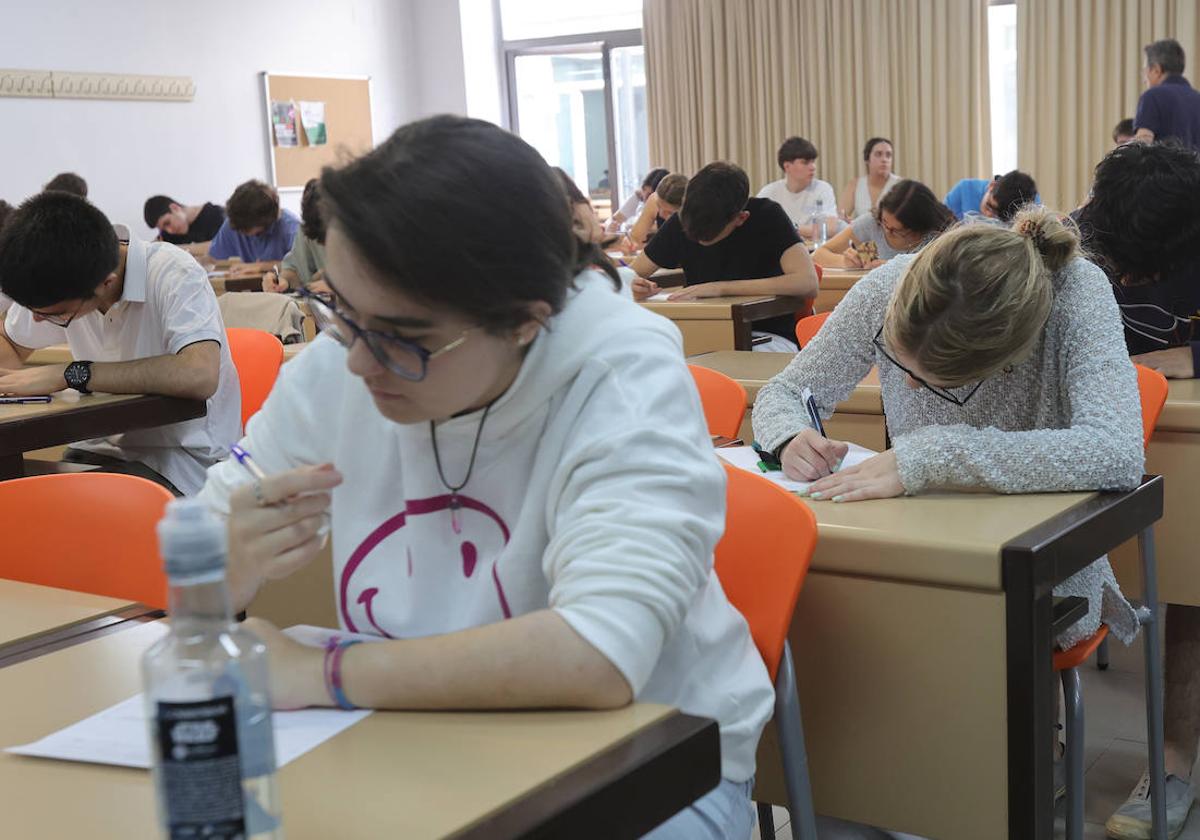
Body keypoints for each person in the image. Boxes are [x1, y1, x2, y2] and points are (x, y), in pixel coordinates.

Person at [196, 115, 775, 840]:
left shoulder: (623, 374)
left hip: (648, 761)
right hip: (406, 736)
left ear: (527, 321)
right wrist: (220, 570)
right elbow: (199, 530)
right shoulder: (345, 358)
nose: (357, 362)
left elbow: (599, 655)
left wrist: (321, 674)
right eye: (340, 311)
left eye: (403, 339)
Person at [754, 205, 1141, 656]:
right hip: (912, 539)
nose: (908, 385)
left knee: (975, 660)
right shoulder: (892, 285)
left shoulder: (1076, 290)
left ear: (1004, 359)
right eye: (900, 362)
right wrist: (788, 435)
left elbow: (1116, 451)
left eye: (939, 377)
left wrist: (931, 455)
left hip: (1036, 556)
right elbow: (785, 390)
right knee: (840, 633)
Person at [1075, 139, 1200, 838]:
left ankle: (1174, 759)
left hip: (1186, 437)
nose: (1134, 278)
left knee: (1186, 584)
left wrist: (1193, 354)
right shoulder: (1076, 237)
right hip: (1090, 432)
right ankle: (1035, 743)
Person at [0, 192, 241, 495]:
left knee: (48, 517)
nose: (36, 321)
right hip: (100, 450)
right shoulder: (58, 273)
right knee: (19, 503)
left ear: (106, 283)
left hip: (183, 464)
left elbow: (199, 374)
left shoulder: (174, 273)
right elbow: (10, 341)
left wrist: (73, 374)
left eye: (55, 315)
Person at [629, 161, 819, 350]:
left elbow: (807, 283)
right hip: (702, 333)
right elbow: (629, 275)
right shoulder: (682, 218)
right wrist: (634, 284)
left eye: (709, 234)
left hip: (766, 336)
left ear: (740, 218)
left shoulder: (768, 216)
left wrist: (720, 288)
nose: (698, 239)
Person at [813, 179, 954, 269]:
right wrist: (846, 262)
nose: (886, 231)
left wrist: (890, 269)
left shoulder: (938, 236)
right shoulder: (873, 224)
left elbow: (945, 275)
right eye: (884, 222)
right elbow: (818, 255)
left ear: (917, 227)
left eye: (895, 230)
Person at [756, 136, 840, 238]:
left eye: (813, 161)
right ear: (787, 166)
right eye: (805, 162)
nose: (813, 167)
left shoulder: (823, 189)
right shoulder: (769, 192)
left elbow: (830, 229)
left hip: (813, 250)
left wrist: (791, 228)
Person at [208, 180, 301, 263]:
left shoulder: (291, 229)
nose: (241, 232)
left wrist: (261, 267)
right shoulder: (234, 221)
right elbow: (213, 257)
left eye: (246, 230)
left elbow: (301, 268)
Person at [263, 179, 327, 293]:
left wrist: (342, 288)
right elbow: (296, 269)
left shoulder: (364, 232)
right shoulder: (310, 227)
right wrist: (283, 281)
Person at [1134, 39, 1200, 150]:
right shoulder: (1197, 98)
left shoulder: (1152, 96)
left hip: (1163, 167)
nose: (1144, 80)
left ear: (1156, 70)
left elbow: (1143, 145)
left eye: (1145, 70)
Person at [143, 195, 226, 257]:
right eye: (163, 229)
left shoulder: (216, 215)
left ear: (175, 208)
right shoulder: (167, 233)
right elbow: (153, 250)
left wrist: (175, 249)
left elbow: (220, 246)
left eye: (167, 223)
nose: (170, 231)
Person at [839, 137, 902, 220]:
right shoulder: (855, 185)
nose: (884, 159)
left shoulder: (901, 185)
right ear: (867, 159)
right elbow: (841, 217)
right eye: (878, 154)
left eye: (888, 155)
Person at [943, 170, 1040, 222]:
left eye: (1001, 217)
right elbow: (940, 230)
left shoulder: (1032, 207)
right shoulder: (964, 190)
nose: (990, 216)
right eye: (989, 207)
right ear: (992, 185)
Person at [629, 173, 687, 249]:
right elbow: (635, 239)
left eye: (669, 212)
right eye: (658, 206)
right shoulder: (654, 200)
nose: (661, 214)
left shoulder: (694, 215)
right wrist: (630, 243)